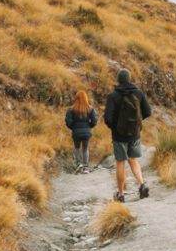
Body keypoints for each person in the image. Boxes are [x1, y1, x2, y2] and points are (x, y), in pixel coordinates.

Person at [104, 68, 152, 202]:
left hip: (119, 136)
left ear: (118, 80)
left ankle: (121, 194)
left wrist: (115, 127)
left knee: (120, 162)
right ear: (129, 79)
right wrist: (136, 123)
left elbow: (107, 118)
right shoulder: (139, 93)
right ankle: (142, 185)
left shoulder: (113, 96)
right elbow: (148, 112)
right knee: (133, 159)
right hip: (134, 134)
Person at [65, 89, 97, 173]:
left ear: (76, 98)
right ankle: (85, 167)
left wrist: (73, 127)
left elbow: (68, 122)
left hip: (76, 132)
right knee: (85, 148)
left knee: (76, 147)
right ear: (86, 98)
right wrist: (89, 127)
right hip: (87, 132)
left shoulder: (71, 109)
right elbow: (94, 121)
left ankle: (78, 164)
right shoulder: (90, 109)